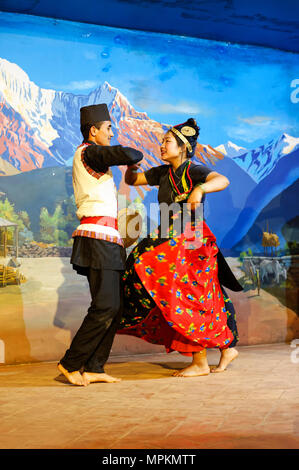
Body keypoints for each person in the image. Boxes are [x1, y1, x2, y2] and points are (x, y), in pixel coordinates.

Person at [118, 118, 243, 377]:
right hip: (168, 239)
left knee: (187, 297)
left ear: (183, 147)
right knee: (205, 297)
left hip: (190, 240)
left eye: (167, 141)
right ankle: (227, 347)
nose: (162, 145)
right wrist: (131, 167)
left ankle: (200, 362)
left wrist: (200, 189)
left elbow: (222, 180)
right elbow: (133, 180)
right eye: (163, 140)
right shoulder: (162, 173)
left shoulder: (193, 170)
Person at [58, 103, 143, 386]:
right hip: (96, 237)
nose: (112, 132)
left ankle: (94, 367)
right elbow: (129, 153)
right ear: (93, 131)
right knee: (105, 305)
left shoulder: (97, 161)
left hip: (109, 240)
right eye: (108, 128)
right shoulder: (88, 153)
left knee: (115, 307)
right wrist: (133, 162)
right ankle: (70, 363)